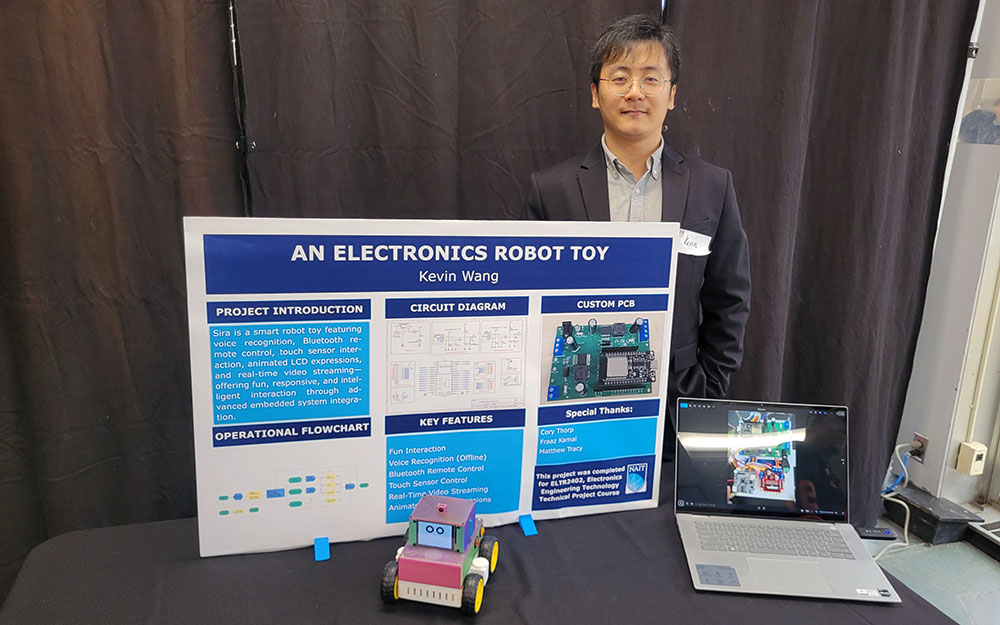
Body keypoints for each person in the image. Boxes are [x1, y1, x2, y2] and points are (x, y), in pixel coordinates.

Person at [524, 14, 751, 437]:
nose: (635, 92)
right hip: (572, 404)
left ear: (671, 94)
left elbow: (730, 301)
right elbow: (529, 301)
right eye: (620, 78)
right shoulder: (551, 190)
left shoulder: (712, 187)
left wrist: (707, 389)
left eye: (650, 78)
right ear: (595, 94)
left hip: (676, 403)